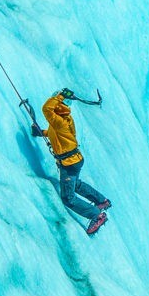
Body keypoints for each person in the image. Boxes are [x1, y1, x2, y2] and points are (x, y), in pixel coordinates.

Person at [32, 88, 111, 235]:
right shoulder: (65, 119)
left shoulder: (59, 120)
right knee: (75, 184)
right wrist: (41, 132)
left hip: (68, 164)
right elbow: (56, 133)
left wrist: (59, 96)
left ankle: (96, 215)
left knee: (68, 198)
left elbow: (46, 108)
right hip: (75, 160)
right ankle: (101, 201)